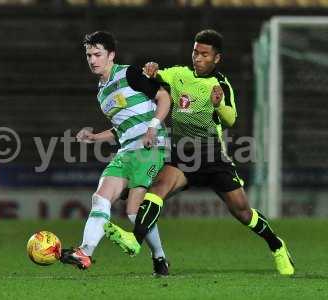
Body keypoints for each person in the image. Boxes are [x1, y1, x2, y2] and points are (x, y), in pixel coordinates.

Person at [103, 29, 295, 276]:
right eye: (195, 52)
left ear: (216, 59)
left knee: (243, 212)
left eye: (204, 54)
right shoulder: (178, 75)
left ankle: (277, 245)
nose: (198, 57)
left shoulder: (220, 84)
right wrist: (149, 69)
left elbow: (230, 119)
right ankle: (134, 241)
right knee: (157, 190)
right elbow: (152, 75)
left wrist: (218, 104)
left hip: (212, 155)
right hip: (183, 155)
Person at [60, 31, 171, 275]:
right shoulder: (101, 93)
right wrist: (95, 137)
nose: (92, 60)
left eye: (98, 54)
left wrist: (152, 127)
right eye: (89, 55)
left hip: (149, 148)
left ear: (111, 55)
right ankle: (85, 253)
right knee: (100, 198)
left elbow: (164, 98)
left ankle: (160, 258)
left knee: (133, 211)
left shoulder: (130, 73)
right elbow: (121, 127)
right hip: (126, 151)